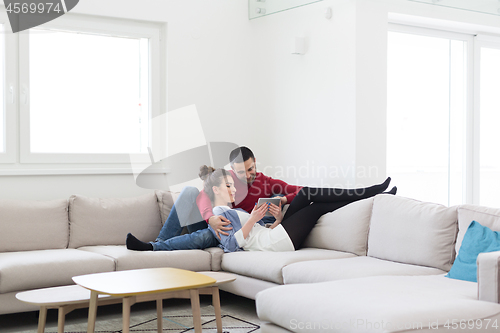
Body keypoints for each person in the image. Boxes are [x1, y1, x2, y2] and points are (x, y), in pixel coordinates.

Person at [126, 166, 395, 252]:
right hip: (241, 234)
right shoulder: (212, 198)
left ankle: (370, 192)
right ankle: (157, 246)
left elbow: (257, 231)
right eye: (231, 184)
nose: (236, 189)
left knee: (310, 195)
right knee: (204, 231)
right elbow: (235, 242)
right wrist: (210, 219)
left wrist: (275, 217)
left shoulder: (254, 191)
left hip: (267, 233)